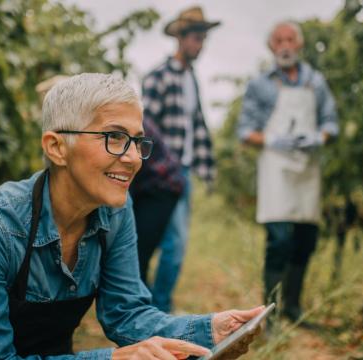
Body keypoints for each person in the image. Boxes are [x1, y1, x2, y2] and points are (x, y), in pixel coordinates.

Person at [0, 73, 265, 359]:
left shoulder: (116, 213)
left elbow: (126, 313)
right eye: (115, 138)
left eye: (137, 141)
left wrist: (210, 329)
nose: (135, 158)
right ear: (56, 147)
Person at [237, 21, 339, 322]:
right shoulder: (260, 84)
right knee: (279, 239)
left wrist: (319, 138)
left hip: (307, 169)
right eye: (278, 40)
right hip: (276, 169)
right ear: (271, 46)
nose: (284, 45)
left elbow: (331, 121)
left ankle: (293, 308)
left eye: (290, 39)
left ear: (299, 44)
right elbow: (245, 131)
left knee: (306, 238)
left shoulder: (316, 82)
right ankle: (268, 312)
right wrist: (272, 139)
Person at [141, 6, 218, 313]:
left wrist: (207, 168)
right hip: (161, 175)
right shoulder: (158, 77)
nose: (200, 45)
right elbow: (147, 127)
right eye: (197, 38)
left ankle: (155, 305)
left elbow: (196, 126)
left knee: (173, 244)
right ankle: (156, 308)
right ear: (181, 38)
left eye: (203, 39)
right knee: (166, 243)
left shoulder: (192, 79)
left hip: (183, 171)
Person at [129, 118, 185, 286]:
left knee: (138, 254)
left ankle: (141, 306)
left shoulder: (132, 122)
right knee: (134, 253)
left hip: (163, 187)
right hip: (143, 186)